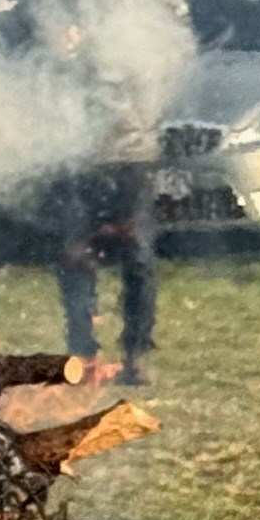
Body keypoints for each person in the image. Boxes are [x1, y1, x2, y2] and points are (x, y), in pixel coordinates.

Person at [46, 153, 158, 381]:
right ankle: (84, 361)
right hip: (79, 161)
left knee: (138, 264)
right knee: (77, 260)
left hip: (131, 159)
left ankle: (134, 360)